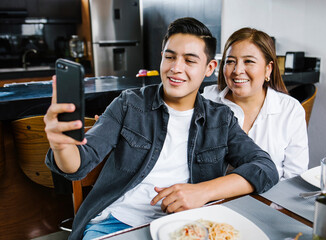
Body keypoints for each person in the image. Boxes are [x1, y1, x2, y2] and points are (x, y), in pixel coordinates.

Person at [44, 18, 279, 240]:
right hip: (118, 223)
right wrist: (61, 145)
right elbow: (77, 166)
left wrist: (203, 192)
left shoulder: (221, 119)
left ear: (209, 68)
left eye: (189, 60)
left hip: (188, 226)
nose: (176, 68)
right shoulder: (129, 104)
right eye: (170, 57)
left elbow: (265, 168)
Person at [203, 28, 309, 180]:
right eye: (231, 61)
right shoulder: (206, 101)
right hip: (211, 198)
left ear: (268, 69)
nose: (238, 70)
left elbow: (294, 178)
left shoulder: (290, 110)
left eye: (249, 61)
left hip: (269, 199)